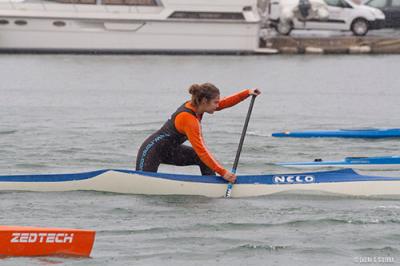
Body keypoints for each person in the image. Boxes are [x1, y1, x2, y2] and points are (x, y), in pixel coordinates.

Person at [136, 83, 261, 183]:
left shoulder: (198, 106)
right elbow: (201, 150)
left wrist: (247, 93)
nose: (218, 105)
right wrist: (224, 172)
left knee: (201, 159)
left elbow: (224, 103)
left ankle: (211, 185)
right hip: (152, 151)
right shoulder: (188, 118)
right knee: (142, 186)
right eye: (215, 102)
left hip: (170, 151)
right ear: (204, 101)